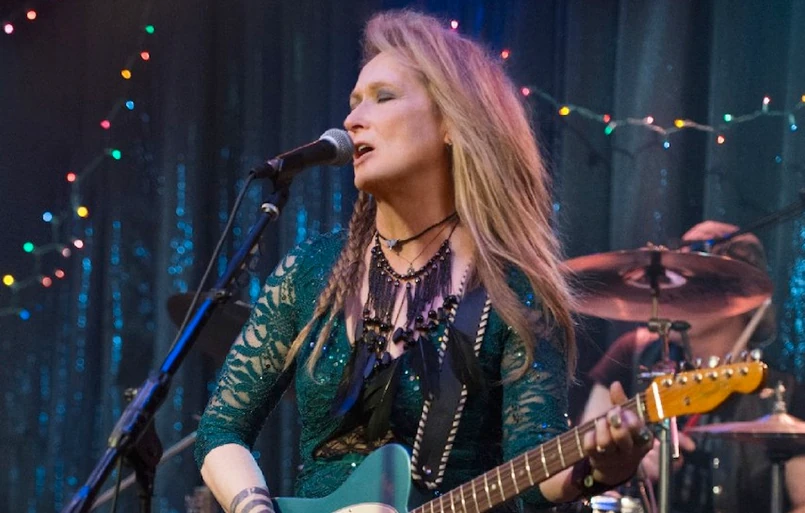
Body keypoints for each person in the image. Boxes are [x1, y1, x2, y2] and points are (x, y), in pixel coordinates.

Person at [194, 10, 652, 513]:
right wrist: (253, 507)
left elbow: (531, 469)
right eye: (354, 102)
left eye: (383, 97)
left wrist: (600, 469)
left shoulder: (514, 293)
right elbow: (221, 427)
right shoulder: (311, 271)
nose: (351, 120)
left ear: (453, 122)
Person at [581, 220, 805, 513]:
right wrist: (618, 467)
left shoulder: (784, 393)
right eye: (671, 280)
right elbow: (579, 462)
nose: (670, 293)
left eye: (692, 281)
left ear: (741, 295)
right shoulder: (633, 353)